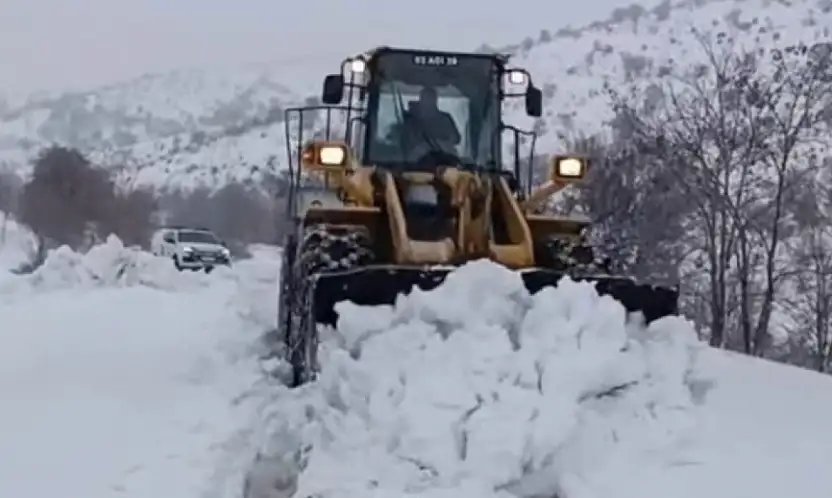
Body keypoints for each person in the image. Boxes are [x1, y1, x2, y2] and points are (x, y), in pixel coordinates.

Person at [402, 87, 461, 157]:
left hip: (443, 158)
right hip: (418, 162)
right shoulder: (412, 121)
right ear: (421, 100)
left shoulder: (445, 119)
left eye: (430, 99)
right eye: (425, 99)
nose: (427, 102)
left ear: (435, 100)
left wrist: (443, 142)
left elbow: (456, 138)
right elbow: (405, 143)